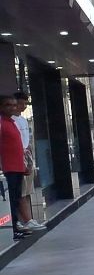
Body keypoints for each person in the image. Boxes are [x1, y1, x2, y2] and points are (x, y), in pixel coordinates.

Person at [1, 95, 31, 240]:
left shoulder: (13, 122)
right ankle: (13, 228)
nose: (12, 108)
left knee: (16, 198)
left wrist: (24, 164)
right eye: (8, 105)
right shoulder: (2, 123)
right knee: (12, 199)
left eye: (14, 105)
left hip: (17, 167)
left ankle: (16, 225)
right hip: (8, 167)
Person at [13, 92, 44, 231]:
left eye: (26, 103)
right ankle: (26, 220)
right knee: (21, 191)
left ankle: (28, 219)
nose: (24, 106)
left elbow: (27, 139)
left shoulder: (23, 120)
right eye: (21, 103)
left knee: (27, 191)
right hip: (18, 158)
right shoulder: (11, 121)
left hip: (27, 157)